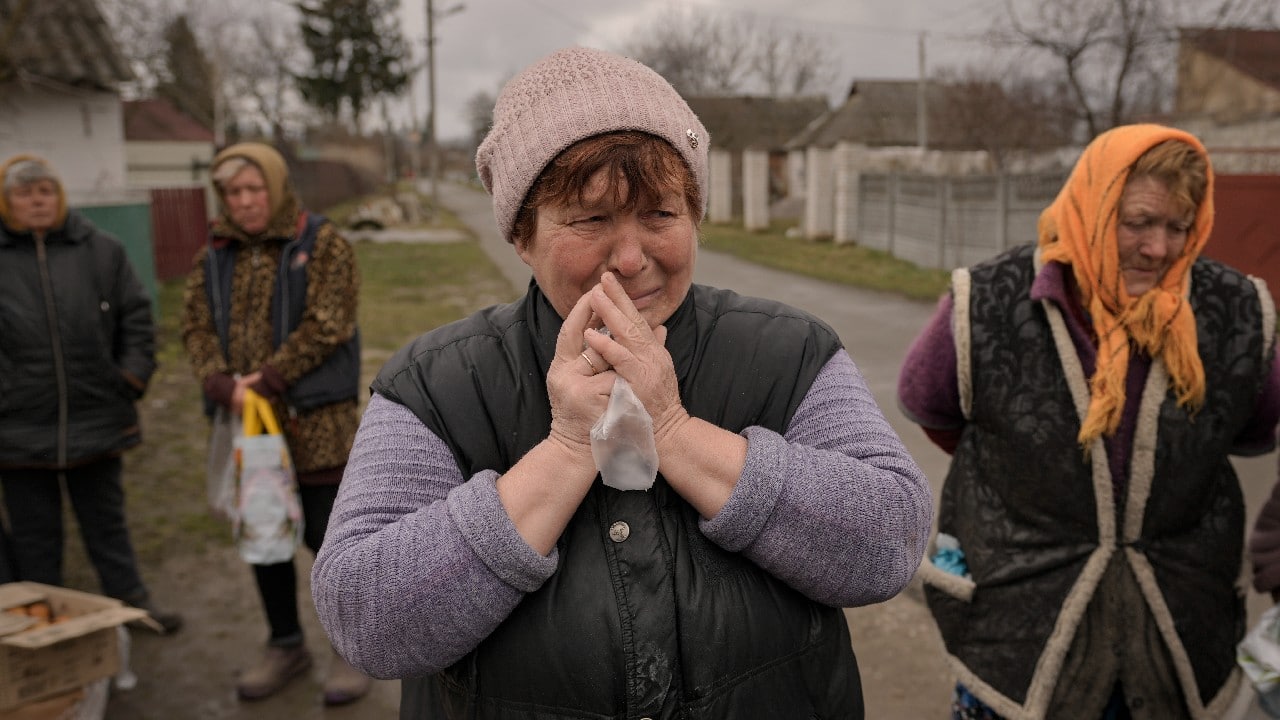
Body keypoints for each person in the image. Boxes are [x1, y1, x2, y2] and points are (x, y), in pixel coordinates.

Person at [311, 46, 933, 719]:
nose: (632, 258)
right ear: (522, 234)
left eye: (661, 214)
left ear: (694, 218)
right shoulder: (433, 384)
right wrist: (571, 445)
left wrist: (670, 429)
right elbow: (365, 618)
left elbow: (891, 541)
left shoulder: (790, 354)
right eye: (590, 218)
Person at [898, 124, 1280, 719]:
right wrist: (1035, 473)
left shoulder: (1236, 312)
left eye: (1179, 227)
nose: (1159, 248)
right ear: (1092, 207)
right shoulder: (989, 301)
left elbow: (1253, 430)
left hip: (1177, 634)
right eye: (1139, 222)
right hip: (1019, 634)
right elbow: (931, 407)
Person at [181, 142, 370, 705]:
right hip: (250, 427)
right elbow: (194, 325)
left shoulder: (322, 243)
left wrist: (265, 379)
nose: (244, 201)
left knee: (326, 536)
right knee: (265, 536)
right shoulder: (213, 255)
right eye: (233, 193)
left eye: (253, 189)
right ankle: (285, 644)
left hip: (315, 423)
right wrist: (218, 381)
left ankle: (351, 646)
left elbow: (329, 322)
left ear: (276, 186)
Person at [0, 155, 182, 632]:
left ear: (59, 196)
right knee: (35, 539)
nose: (36, 201)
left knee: (108, 527)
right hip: (19, 429)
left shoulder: (101, 250)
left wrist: (130, 379)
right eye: (24, 193)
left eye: (44, 191)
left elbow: (138, 319)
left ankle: (132, 608)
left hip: (97, 416)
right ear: (6, 201)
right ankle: (38, 624)